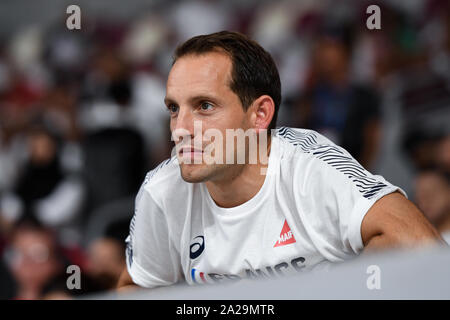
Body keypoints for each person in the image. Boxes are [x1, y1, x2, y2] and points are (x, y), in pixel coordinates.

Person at [117, 31, 445, 290]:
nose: (179, 130)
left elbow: (419, 244)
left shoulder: (311, 167)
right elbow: (137, 286)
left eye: (204, 106)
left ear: (260, 114)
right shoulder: (161, 191)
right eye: (174, 108)